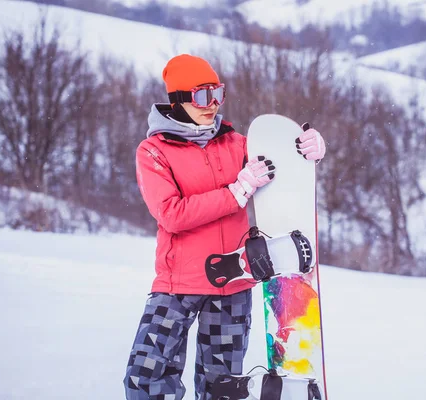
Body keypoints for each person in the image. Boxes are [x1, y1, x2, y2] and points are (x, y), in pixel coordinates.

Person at [123, 54, 326, 400]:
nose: (213, 104)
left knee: (220, 389)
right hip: (177, 286)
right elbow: (170, 213)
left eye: (218, 93)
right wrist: (235, 192)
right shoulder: (153, 151)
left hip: (232, 285)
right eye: (202, 96)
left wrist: (309, 149)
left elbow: (283, 161)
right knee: (146, 378)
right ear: (178, 99)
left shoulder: (238, 145)